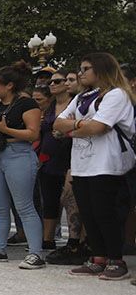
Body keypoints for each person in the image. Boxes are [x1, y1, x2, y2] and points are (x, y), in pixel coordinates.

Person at [53, 52, 135, 280]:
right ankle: (97, 257)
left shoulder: (117, 95)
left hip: (107, 163)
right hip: (82, 164)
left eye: (85, 68)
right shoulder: (82, 97)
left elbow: (99, 127)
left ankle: (115, 259)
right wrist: (79, 124)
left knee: (105, 212)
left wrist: (71, 128)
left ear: (101, 69)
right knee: (88, 213)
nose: (80, 73)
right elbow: (58, 122)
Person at [0, 63, 46, 269]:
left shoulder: (27, 104)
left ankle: (35, 253)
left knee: (24, 205)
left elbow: (33, 134)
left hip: (18, 154)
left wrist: (6, 129)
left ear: (9, 86)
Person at [43, 73, 87, 265]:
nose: (54, 84)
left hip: (75, 156)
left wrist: (68, 129)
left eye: (67, 80)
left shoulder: (82, 102)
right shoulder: (54, 105)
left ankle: (80, 242)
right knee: (56, 199)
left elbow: (92, 126)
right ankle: (59, 240)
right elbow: (54, 125)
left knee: (73, 199)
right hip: (52, 159)